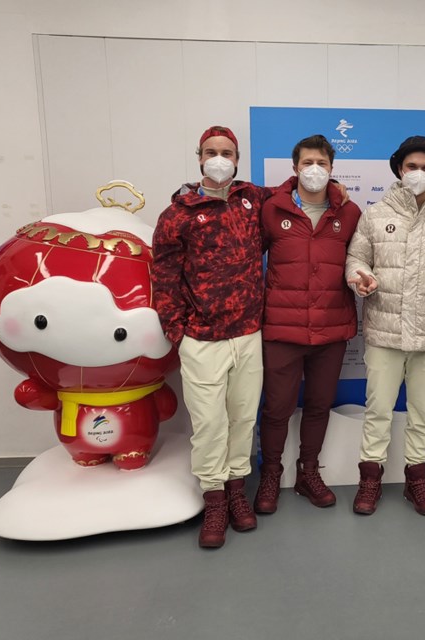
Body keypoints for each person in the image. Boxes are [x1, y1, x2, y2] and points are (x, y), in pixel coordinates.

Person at [151, 126, 269, 549]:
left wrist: (336, 192)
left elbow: (296, 190)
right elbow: (162, 274)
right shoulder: (178, 214)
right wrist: (177, 330)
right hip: (201, 338)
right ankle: (215, 499)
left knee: (242, 418)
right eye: (212, 152)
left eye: (228, 152)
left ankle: (238, 491)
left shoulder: (252, 199)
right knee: (209, 424)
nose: (220, 159)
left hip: (248, 333)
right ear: (199, 156)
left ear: (238, 159)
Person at [345, 135, 425, 516]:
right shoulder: (375, 214)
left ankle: (416, 479)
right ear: (399, 169)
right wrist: (360, 277)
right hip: (384, 332)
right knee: (378, 410)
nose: (418, 173)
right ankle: (370, 479)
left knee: (423, 412)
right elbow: (355, 258)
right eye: (411, 166)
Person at [252, 134, 362, 515]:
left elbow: (358, 260)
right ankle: (270, 474)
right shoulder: (271, 208)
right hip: (282, 328)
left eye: (322, 163)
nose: (314, 169)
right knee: (277, 408)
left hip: (331, 329)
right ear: (295, 167)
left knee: (319, 406)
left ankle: (308, 473)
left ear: (332, 168)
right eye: (307, 163)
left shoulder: (349, 212)